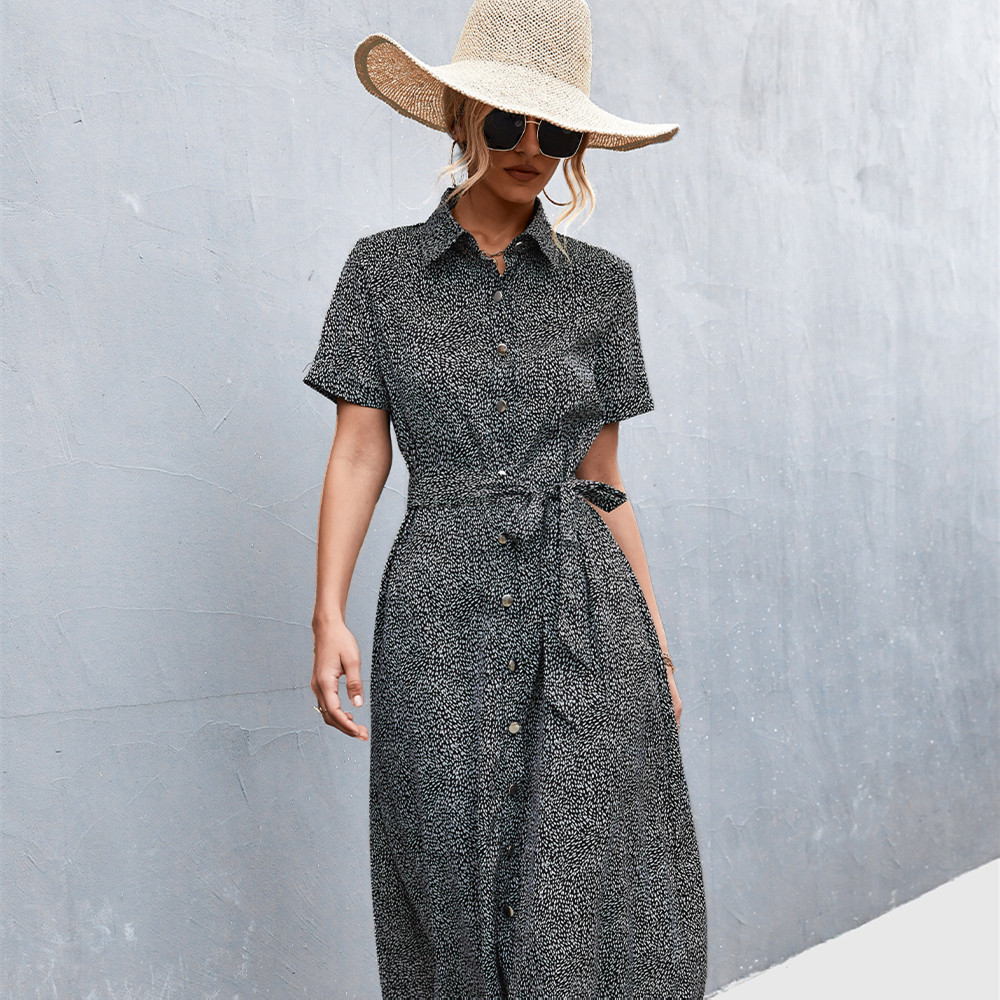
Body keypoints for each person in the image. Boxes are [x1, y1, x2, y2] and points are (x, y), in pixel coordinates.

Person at [303, 0, 708, 995]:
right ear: (461, 118)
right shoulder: (379, 272)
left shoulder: (603, 287)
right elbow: (358, 453)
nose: (531, 148)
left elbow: (604, 482)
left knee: (583, 876)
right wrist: (327, 613)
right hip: (436, 604)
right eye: (507, 122)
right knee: (444, 861)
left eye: (557, 132)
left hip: (585, 610)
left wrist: (655, 640)